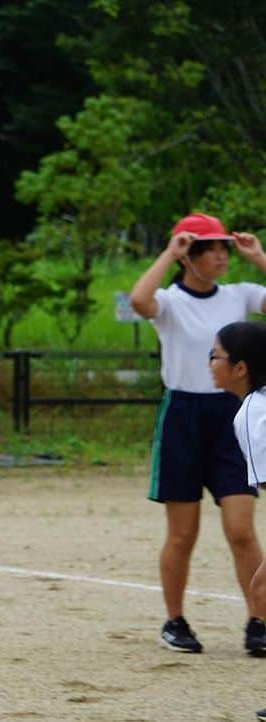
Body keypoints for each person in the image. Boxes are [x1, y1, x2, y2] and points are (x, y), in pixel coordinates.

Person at [129, 212, 266, 654]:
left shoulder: (238, 296)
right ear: (189, 256)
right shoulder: (170, 302)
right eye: (212, 249)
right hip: (183, 417)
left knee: (241, 530)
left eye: (224, 248)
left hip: (230, 417)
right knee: (182, 533)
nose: (222, 256)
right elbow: (138, 300)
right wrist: (169, 251)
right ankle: (175, 621)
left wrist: (259, 257)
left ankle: (258, 621)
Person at [208, 321, 266, 722]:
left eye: (216, 356)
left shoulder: (253, 415)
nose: (210, 363)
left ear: (241, 368)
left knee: (262, 589)